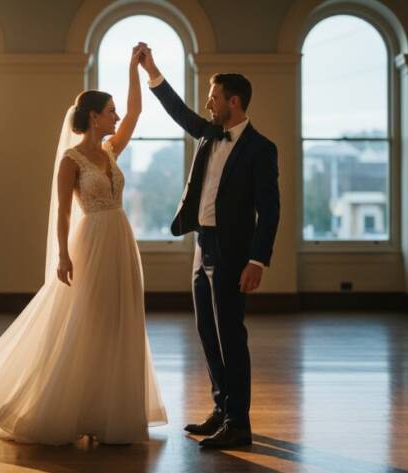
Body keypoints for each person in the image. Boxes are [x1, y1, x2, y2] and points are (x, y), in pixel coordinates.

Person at [0, 44, 167, 446]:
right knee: (86, 323)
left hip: (121, 240)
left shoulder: (110, 150)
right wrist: (63, 254)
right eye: (110, 111)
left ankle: (108, 412)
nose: (117, 116)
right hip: (92, 243)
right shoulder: (71, 160)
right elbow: (64, 213)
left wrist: (135, 68)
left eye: (115, 111)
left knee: (120, 324)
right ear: (93, 117)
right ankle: (66, 408)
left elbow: (136, 113)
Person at [138, 45, 280, 449]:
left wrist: (257, 260)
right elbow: (179, 111)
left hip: (234, 253)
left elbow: (270, 211)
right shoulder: (208, 133)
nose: (208, 103)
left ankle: (240, 424)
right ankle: (222, 409)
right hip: (203, 245)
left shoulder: (260, 149)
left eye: (214, 97)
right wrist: (152, 71)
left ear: (233, 102)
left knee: (230, 334)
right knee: (206, 331)